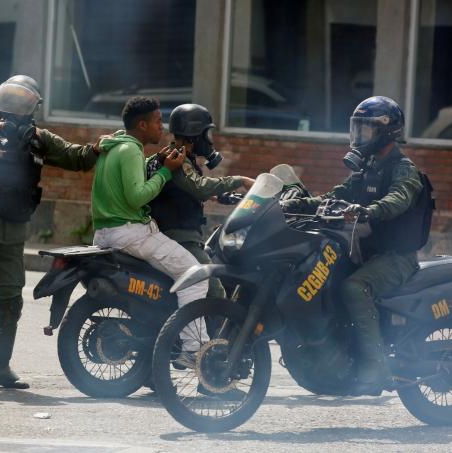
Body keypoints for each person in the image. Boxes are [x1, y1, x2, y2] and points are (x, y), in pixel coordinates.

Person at [0, 75, 101, 391]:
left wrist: (99, 147)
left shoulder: (39, 139)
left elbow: (77, 157)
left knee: (11, 300)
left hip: (13, 233)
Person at [281, 96, 432, 394]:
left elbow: (399, 198)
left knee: (354, 287)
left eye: (367, 129)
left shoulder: (404, 169)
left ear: (386, 131)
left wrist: (370, 210)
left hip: (397, 259)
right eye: (358, 128)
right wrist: (293, 204)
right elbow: (332, 197)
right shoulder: (366, 169)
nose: (360, 136)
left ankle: (376, 367)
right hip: (369, 255)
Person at [91, 96, 209, 356]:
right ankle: (195, 350)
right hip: (130, 232)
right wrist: (165, 172)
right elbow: (137, 197)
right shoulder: (131, 150)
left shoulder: (112, 148)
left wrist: (157, 161)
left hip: (103, 233)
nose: (162, 127)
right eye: (158, 121)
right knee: (195, 275)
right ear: (142, 125)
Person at [147, 104, 253, 299]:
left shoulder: (175, 155)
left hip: (179, 236)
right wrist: (240, 181)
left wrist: (222, 196)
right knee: (215, 292)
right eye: (206, 134)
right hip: (180, 238)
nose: (208, 140)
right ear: (193, 136)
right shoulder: (177, 159)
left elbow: (185, 189)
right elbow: (199, 187)